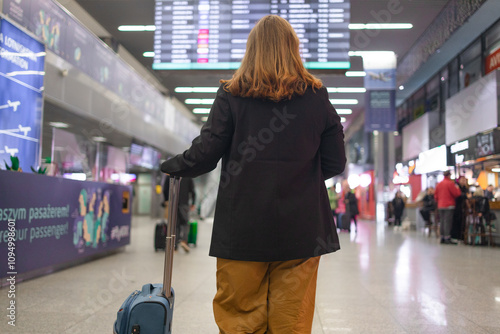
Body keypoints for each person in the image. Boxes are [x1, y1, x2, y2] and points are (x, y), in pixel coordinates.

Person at [161, 15, 346, 333]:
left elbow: (205, 155)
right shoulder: (317, 97)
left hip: (242, 227)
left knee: (240, 317)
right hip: (302, 229)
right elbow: (335, 162)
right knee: (291, 318)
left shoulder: (231, 95)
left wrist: (171, 165)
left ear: (251, 49)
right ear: (294, 49)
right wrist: (301, 179)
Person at [163, 175, 196, 253]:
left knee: (175, 224)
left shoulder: (170, 176)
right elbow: (193, 191)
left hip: (173, 203)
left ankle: (175, 246)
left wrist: (166, 200)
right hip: (184, 204)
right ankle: (184, 241)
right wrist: (193, 203)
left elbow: (165, 190)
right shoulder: (188, 176)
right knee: (185, 223)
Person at [434, 171, 462, 244]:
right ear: (449, 175)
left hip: (440, 205)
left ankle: (442, 237)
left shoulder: (439, 184)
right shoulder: (450, 183)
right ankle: (447, 237)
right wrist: (458, 188)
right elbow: (456, 194)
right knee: (447, 222)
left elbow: (435, 196)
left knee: (442, 221)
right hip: (449, 205)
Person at [451, 175, 470, 241]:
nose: (463, 181)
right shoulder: (456, 187)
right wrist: (465, 196)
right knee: (456, 220)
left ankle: (461, 236)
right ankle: (455, 236)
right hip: (456, 206)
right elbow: (458, 195)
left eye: (464, 180)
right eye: (462, 180)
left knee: (463, 221)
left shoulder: (466, 188)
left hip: (463, 207)